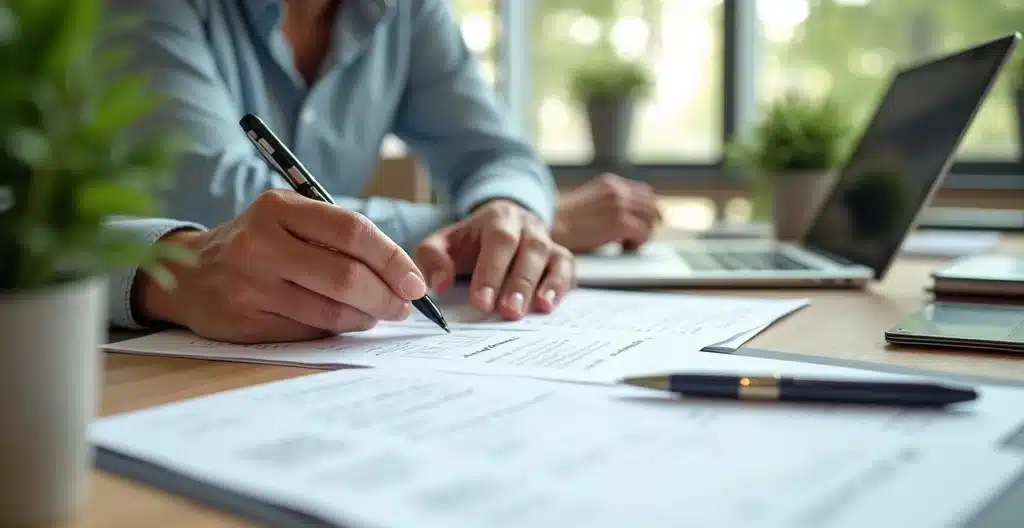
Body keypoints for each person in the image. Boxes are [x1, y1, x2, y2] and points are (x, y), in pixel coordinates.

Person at [104, 0, 660, 344]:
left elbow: (499, 155)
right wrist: (538, 223)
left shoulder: (408, 11)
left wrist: (510, 212)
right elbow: (222, 210)